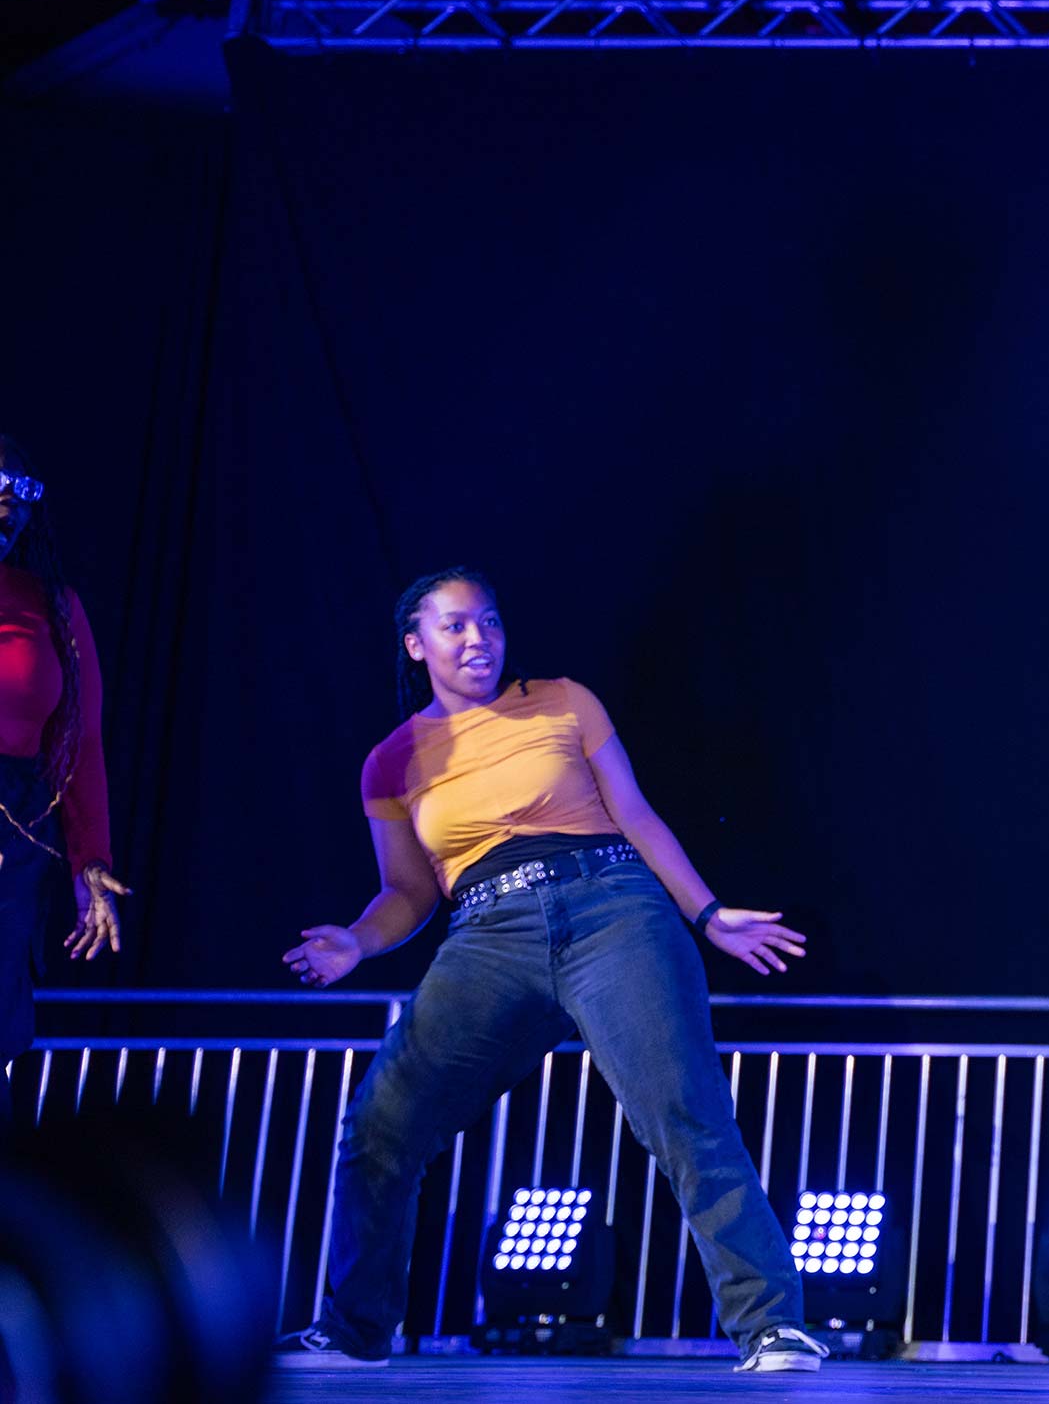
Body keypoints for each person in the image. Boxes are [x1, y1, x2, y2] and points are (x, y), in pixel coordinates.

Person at [273, 566, 828, 1374]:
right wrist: (357, 941)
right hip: (487, 934)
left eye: (490, 623)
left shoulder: (565, 699)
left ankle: (772, 1325)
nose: (478, 639)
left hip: (613, 908)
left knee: (683, 1111)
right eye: (457, 625)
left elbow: (635, 813)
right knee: (381, 1123)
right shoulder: (390, 762)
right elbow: (407, 889)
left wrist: (707, 913)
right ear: (415, 642)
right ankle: (356, 1329)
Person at [0, 433, 129, 1074]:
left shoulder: (53, 604)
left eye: (18, 494)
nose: (4, 507)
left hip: (17, 826)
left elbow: (82, 742)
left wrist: (89, 864)